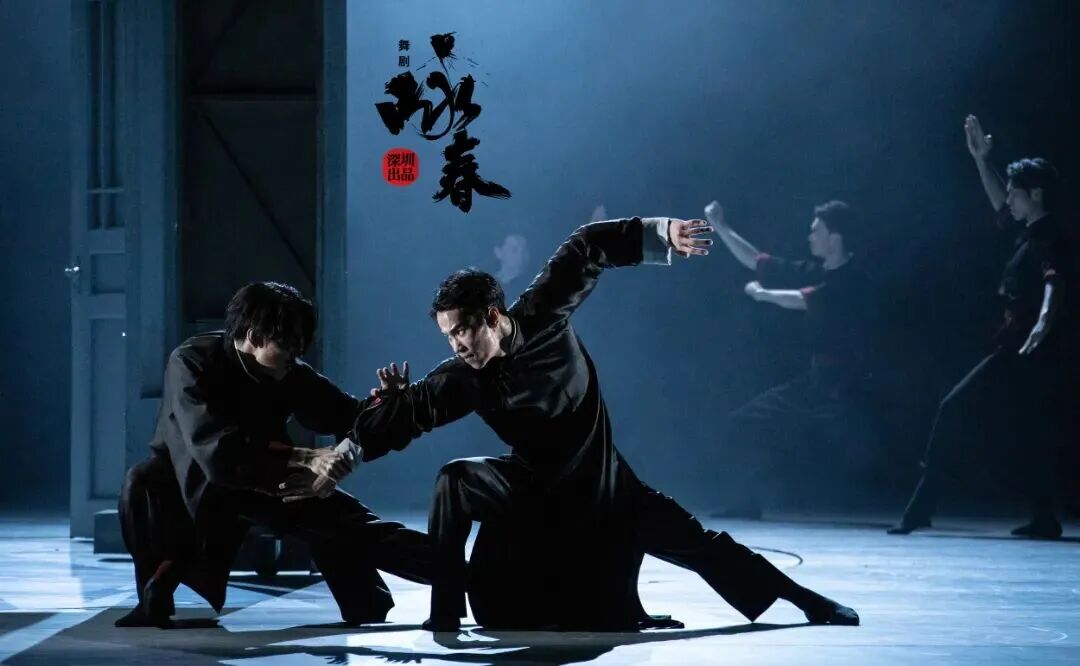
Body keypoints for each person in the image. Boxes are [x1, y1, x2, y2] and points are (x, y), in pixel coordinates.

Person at [353, 215, 860, 631]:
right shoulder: (462, 377)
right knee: (455, 479)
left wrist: (661, 233)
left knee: (697, 546)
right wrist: (370, 424)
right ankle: (445, 615)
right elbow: (412, 412)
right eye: (447, 336)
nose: (457, 345)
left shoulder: (543, 313)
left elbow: (588, 247)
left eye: (463, 330)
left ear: (491, 316)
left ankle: (806, 600)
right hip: (532, 493)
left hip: (604, 487)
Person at [115, 282, 432, 628]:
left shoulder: (290, 372)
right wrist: (306, 458)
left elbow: (347, 416)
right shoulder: (192, 361)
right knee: (140, 483)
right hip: (191, 481)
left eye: (299, 347)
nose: (294, 356)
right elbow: (216, 450)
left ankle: (456, 575)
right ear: (254, 336)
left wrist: (384, 403)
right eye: (287, 346)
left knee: (356, 529)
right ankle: (155, 592)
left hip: (264, 476)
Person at [888, 116, 1073, 538]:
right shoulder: (1028, 231)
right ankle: (1044, 518)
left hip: (1027, 350)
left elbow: (1054, 284)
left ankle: (920, 509)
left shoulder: (1050, 237)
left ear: (1036, 195)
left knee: (954, 409)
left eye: (1015, 193)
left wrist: (1042, 324)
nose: (1008, 199)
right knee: (1027, 432)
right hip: (1019, 347)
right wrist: (979, 160)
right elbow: (1000, 205)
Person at [706, 200, 879, 518]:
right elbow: (757, 260)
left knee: (873, 444)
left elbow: (805, 299)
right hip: (818, 382)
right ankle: (747, 502)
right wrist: (720, 226)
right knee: (746, 422)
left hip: (852, 387)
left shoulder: (856, 279)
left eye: (816, 231)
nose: (810, 237)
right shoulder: (817, 271)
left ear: (834, 238)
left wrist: (763, 294)